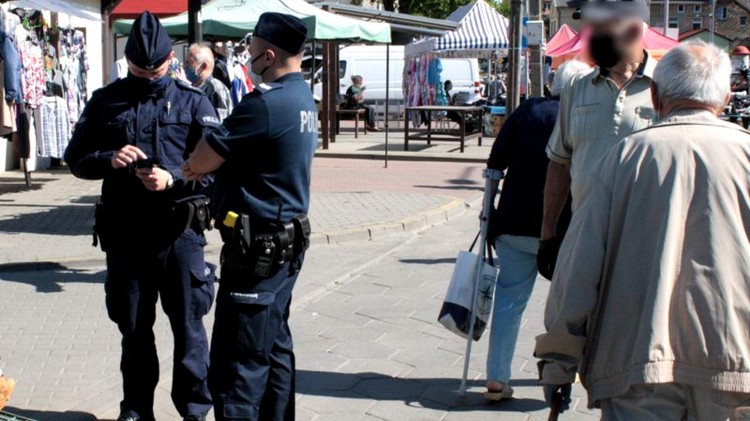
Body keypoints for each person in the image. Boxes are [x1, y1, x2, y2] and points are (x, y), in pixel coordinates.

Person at [536, 41, 750, 420]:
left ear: (655, 94)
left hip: (635, 362)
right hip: (734, 365)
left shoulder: (622, 158)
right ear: (727, 96)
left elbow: (578, 267)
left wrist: (559, 359)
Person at [63, 11, 220, 421]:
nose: (149, 75)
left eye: (157, 68)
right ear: (128, 62)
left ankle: (194, 412)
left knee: (189, 332)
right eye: (139, 69)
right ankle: (135, 410)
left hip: (180, 235)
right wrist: (110, 159)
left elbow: (216, 171)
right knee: (134, 332)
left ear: (172, 59)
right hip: (127, 236)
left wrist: (174, 180)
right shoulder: (105, 100)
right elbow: (75, 158)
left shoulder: (195, 101)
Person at [181, 12, 317, 421]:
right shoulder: (302, 97)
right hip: (284, 246)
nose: (247, 58)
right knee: (274, 348)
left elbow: (204, 158)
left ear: (268, 55)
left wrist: (194, 166)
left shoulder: (266, 104)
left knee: (239, 363)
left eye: (252, 51)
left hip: (257, 252)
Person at [483, 60, 590, 401]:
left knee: (509, 302)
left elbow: (494, 166)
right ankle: (562, 371)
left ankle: (497, 378)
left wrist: (488, 215)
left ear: (552, 84)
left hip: (514, 223)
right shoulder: (583, 116)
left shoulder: (527, 110)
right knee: (567, 307)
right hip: (565, 229)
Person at [537, 0, 656, 280]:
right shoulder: (578, 87)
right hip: (585, 238)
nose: (593, 37)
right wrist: (548, 235)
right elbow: (559, 164)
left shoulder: (667, 86)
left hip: (646, 243)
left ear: (635, 29)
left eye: (604, 28)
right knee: (573, 321)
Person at [184, 44, 234, 120]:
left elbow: (221, 124)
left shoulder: (216, 89)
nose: (184, 66)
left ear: (203, 66)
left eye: (188, 62)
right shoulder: (193, 88)